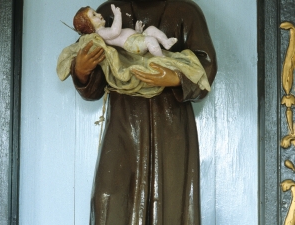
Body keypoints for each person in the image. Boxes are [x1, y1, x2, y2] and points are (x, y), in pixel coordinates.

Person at [70, 0, 217, 224]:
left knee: (171, 202)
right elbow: (94, 85)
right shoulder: (105, 13)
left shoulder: (186, 11)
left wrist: (177, 78)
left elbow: (206, 64)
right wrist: (81, 70)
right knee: (111, 199)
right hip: (123, 124)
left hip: (170, 125)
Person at [73, 5, 177, 57]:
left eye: (96, 12)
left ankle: (165, 42)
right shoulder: (101, 33)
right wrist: (117, 15)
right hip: (132, 44)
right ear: (89, 26)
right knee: (151, 40)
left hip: (136, 38)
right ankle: (160, 57)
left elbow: (122, 33)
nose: (99, 14)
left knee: (151, 29)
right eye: (94, 15)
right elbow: (116, 32)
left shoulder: (104, 30)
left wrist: (138, 32)